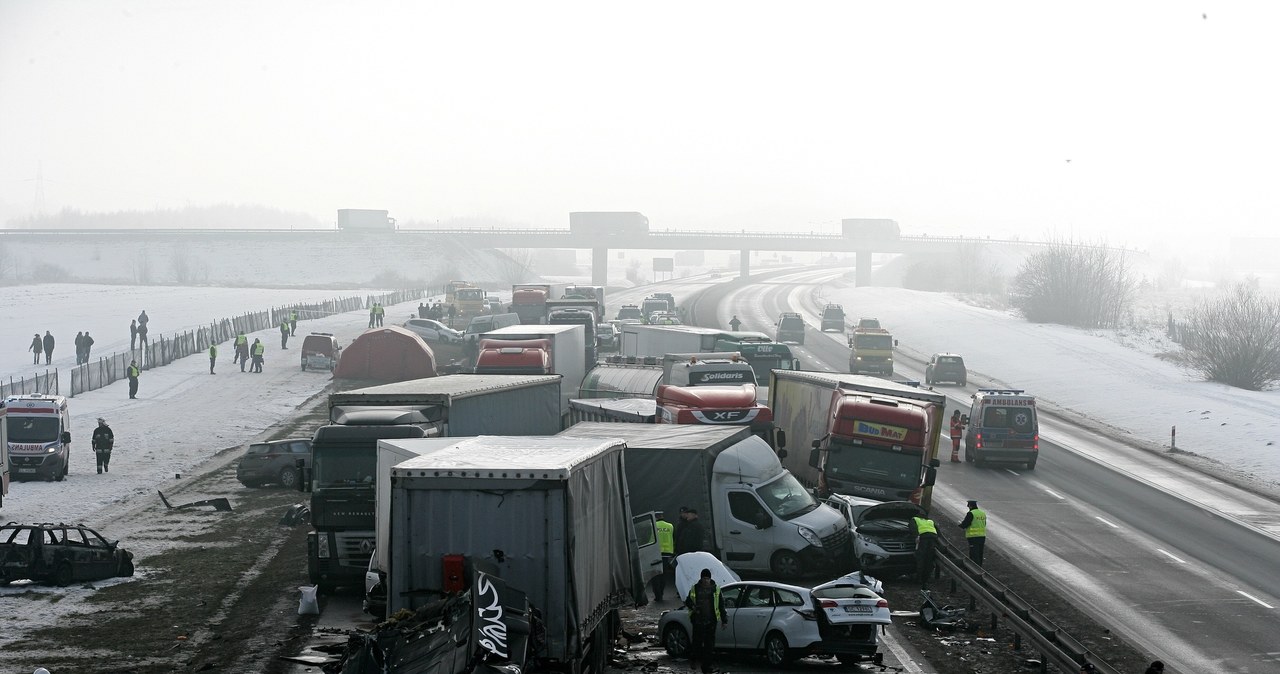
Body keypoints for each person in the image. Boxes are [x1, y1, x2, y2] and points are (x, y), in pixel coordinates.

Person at [685, 568, 728, 674]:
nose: (706, 581)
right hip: (698, 621)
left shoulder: (716, 589)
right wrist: (693, 607)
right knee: (697, 644)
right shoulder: (695, 588)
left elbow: (721, 605)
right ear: (701, 578)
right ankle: (694, 660)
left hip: (711, 622)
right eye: (704, 578)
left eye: (707, 578)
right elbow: (688, 601)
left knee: (709, 646)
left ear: (710, 579)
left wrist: (724, 620)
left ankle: (707, 668)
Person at [650, 512, 675, 602]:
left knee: (655, 574)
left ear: (655, 517)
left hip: (655, 553)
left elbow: (650, 538)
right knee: (663, 574)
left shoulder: (653, 525)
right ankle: (661, 592)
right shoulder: (670, 526)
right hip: (667, 553)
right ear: (662, 516)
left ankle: (658, 595)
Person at [911, 513, 938, 589]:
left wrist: (916, 537)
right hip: (933, 538)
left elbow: (913, 529)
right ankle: (926, 578)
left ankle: (919, 579)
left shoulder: (914, 519)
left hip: (923, 539)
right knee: (929, 559)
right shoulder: (930, 521)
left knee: (921, 558)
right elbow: (937, 531)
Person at [958, 499, 987, 565]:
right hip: (982, 536)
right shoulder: (982, 513)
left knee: (974, 553)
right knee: (980, 552)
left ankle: (974, 568)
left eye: (968, 506)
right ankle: (980, 566)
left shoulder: (971, 513)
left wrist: (959, 525)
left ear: (970, 506)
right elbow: (984, 524)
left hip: (973, 537)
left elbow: (965, 524)